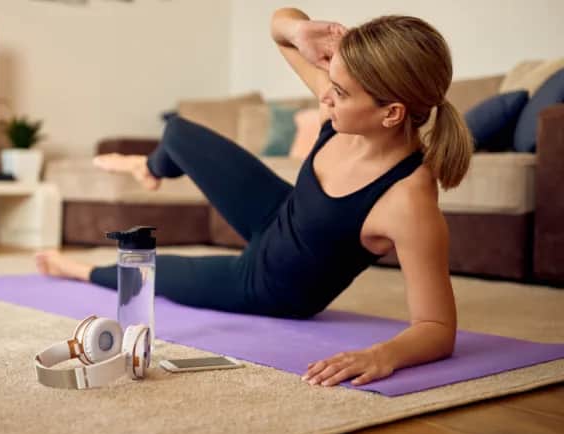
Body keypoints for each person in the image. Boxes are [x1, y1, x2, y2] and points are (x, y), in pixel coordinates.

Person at [36, 7, 473, 387]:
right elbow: (280, 23)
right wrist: (303, 34)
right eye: (331, 82)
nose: (324, 95)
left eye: (339, 93)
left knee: (149, 271)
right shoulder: (347, 112)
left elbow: (436, 327)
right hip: (277, 211)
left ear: (391, 113)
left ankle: (75, 269)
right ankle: (150, 168)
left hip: (268, 285)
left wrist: (381, 356)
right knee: (178, 133)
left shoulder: (407, 200)